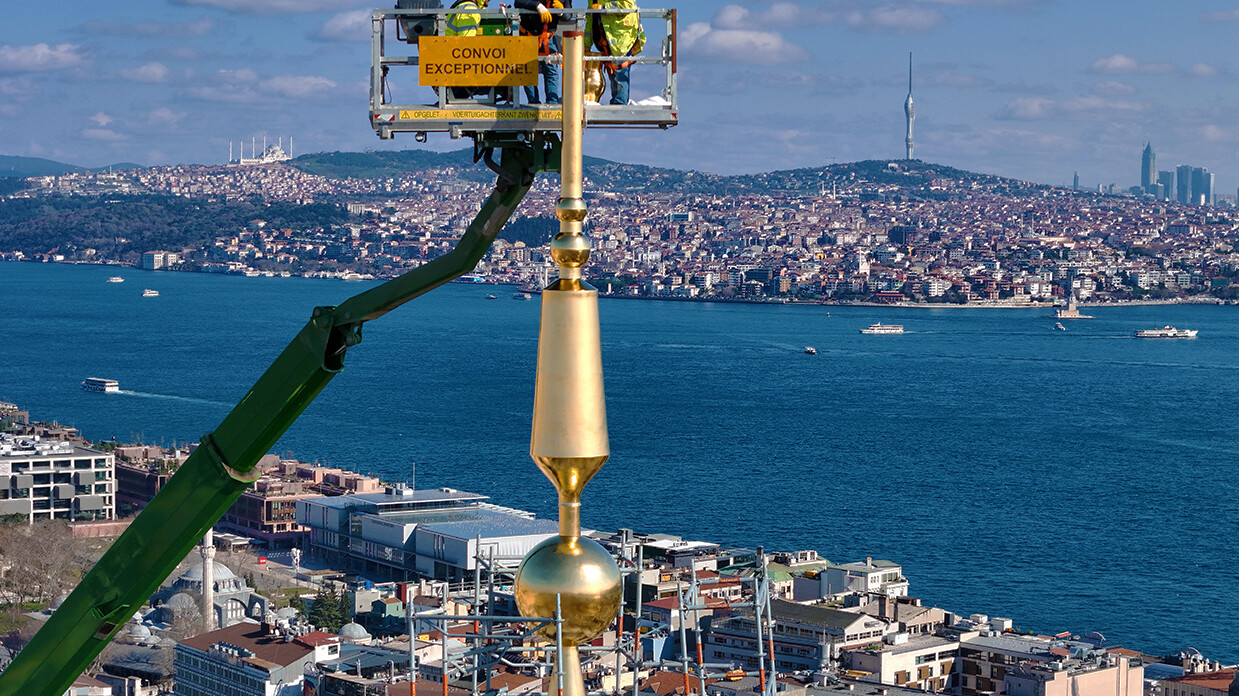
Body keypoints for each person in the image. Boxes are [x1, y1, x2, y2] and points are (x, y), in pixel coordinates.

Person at [514, 0, 571, 105]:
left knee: (551, 70)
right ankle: (533, 102)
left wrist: (561, 12)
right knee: (528, 71)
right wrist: (537, 5)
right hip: (527, 36)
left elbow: (568, 16)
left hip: (547, 39)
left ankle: (552, 102)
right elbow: (518, 2)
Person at [588, 0, 645, 105]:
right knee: (614, 74)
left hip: (622, 38)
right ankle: (618, 102)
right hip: (607, 39)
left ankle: (620, 103)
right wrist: (586, 45)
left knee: (619, 74)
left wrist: (603, 8)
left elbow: (628, 5)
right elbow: (590, 18)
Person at [445, 0, 488, 100]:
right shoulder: (470, 10)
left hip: (446, 61)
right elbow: (466, 47)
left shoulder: (463, 6)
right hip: (450, 64)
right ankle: (453, 99)